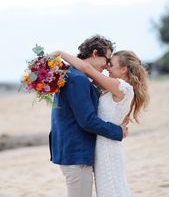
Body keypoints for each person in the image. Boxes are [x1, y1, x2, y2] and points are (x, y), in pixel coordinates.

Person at [52, 48, 150, 197]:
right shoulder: (111, 87)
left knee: (112, 190)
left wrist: (61, 53)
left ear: (123, 69)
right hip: (101, 147)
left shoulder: (121, 87)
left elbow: (87, 69)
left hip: (107, 149)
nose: (107, 67)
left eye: (111, 64)